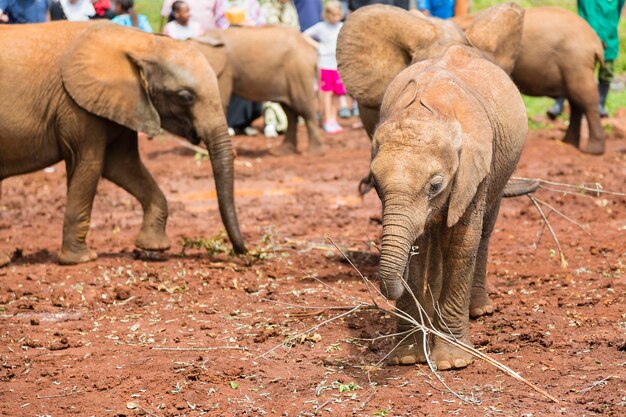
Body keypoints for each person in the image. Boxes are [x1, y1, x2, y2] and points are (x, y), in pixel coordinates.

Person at [548, 0, 625, 119]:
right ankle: (559, 103)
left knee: (606, 72)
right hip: (584, 39)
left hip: (608, 36)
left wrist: (611, 24)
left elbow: (619, 8)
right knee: (573, 72)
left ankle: (600, 104)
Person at [304, 0, 346, 134]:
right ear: (327, 15)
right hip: (325, 65)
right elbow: (304, 35)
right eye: (333, 15)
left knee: (336, 94)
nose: (335, 18)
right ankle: (327, 120)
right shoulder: (321, 27)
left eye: (338, 15)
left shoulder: (342, 26)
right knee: (326, 93)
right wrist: (318, 46)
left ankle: (334, 119)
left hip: (338, 65)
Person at [160, 0, 229, 32]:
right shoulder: (170, 28)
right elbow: (166, 16)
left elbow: (222, 18)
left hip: (208, 41)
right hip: (180, 41)